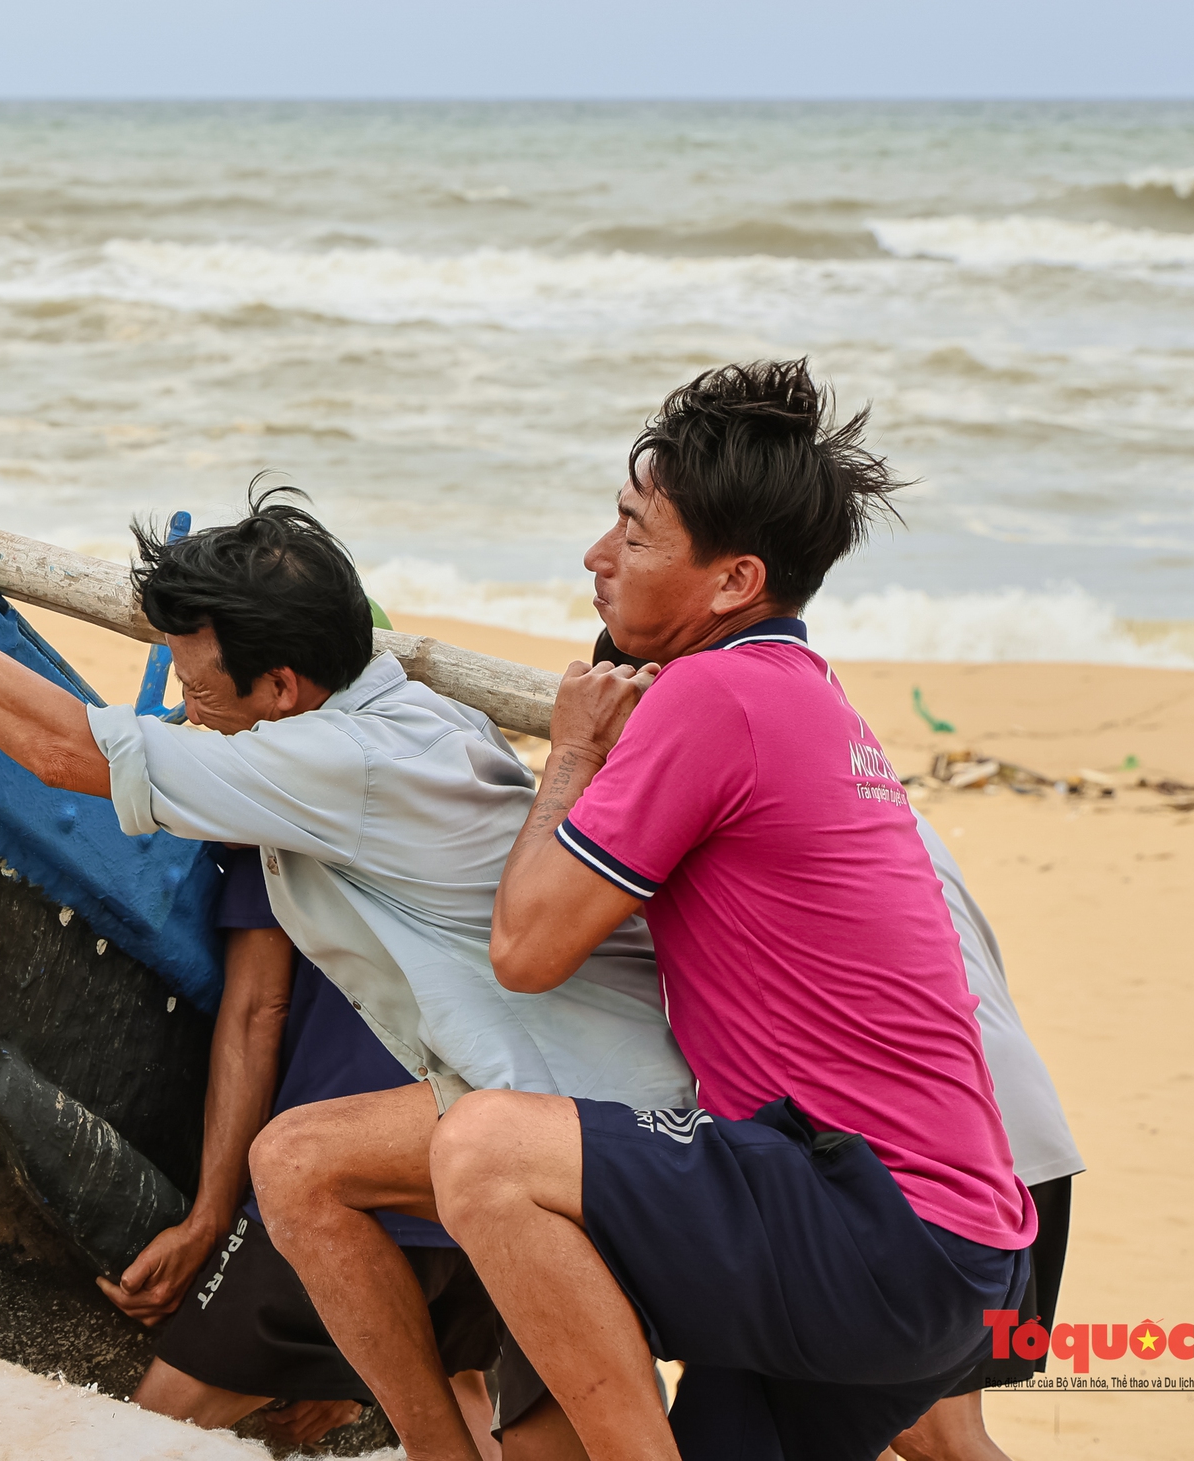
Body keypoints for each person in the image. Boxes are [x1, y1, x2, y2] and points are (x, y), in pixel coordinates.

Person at [0, 472, 694, 1461]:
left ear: (281, 690)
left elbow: (58, 750)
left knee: (302, 1165)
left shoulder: (336, 762)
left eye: (197, 690)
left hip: (594, 1122)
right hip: (557, 1102)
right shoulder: (408, 720)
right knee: (313, 1174)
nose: (185, 712)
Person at [411, 359, 1034, 1460]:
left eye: (634, 534)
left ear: (734, 580)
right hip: (960, 1245)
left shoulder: (713, 696)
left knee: (485, 1153)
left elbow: (524, 948)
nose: (596, 559)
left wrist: (570, 754)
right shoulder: (804, 692)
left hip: (869, 1224)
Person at [111, 849, 503, 1458]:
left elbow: (256, 1014)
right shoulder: (469, 804)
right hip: (479, 1184)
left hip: (339, 1182)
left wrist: (209, 1217)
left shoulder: (274, 816)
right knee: (464, 1398)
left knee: (151, 1434)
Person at [886, 814, 1084, 1461]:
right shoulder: (876, 791)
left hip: (954, 1146)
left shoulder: (723, 801)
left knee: (932, 1432)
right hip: (1014, 1123)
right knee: (830, 1420)